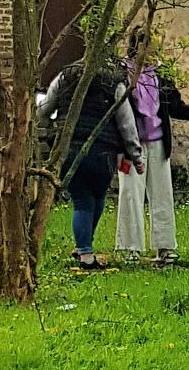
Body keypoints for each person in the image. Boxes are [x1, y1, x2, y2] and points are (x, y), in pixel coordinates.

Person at [38, 62, 143, 271]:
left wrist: (50, 129)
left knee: (82, 200)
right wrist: (136, 155)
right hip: (102, 150)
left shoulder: (65, 75)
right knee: (96, 198)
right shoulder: (114, 83)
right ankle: (85, 253)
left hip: (70, 147)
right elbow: (126, 123)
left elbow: (44, 108)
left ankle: (83, 249)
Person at [116, 27, 189, 265]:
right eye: (149, 44)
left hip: (157, 142)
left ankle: (165, 246)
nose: (154, 49)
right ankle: (129, 248)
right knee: (130, 194)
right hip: (130, 144)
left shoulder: (160, 75)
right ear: (138, 45)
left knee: (162, 193)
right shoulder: (122, 73)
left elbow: (175, 106)